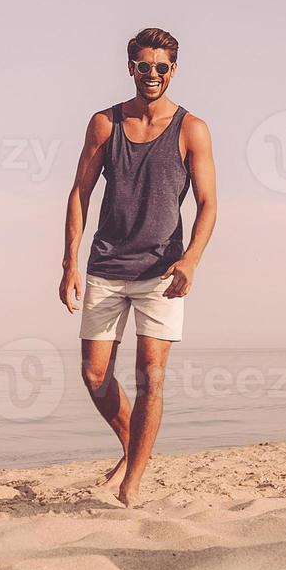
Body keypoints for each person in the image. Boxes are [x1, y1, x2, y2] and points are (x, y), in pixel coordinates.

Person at [60, 27, 217, 507]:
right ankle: (132, 449)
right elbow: (79, 193)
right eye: (144, 66)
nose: (153, 75)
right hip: (107, 263)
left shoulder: (192, 129)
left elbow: (209, 203)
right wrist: (69, 262)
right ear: (130, 67)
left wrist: (191, 259)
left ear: (174, 70)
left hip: (162, 272)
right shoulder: (104, 124)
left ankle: (132, 482)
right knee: (93, 374)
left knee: (151, 376)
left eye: (162, 67)